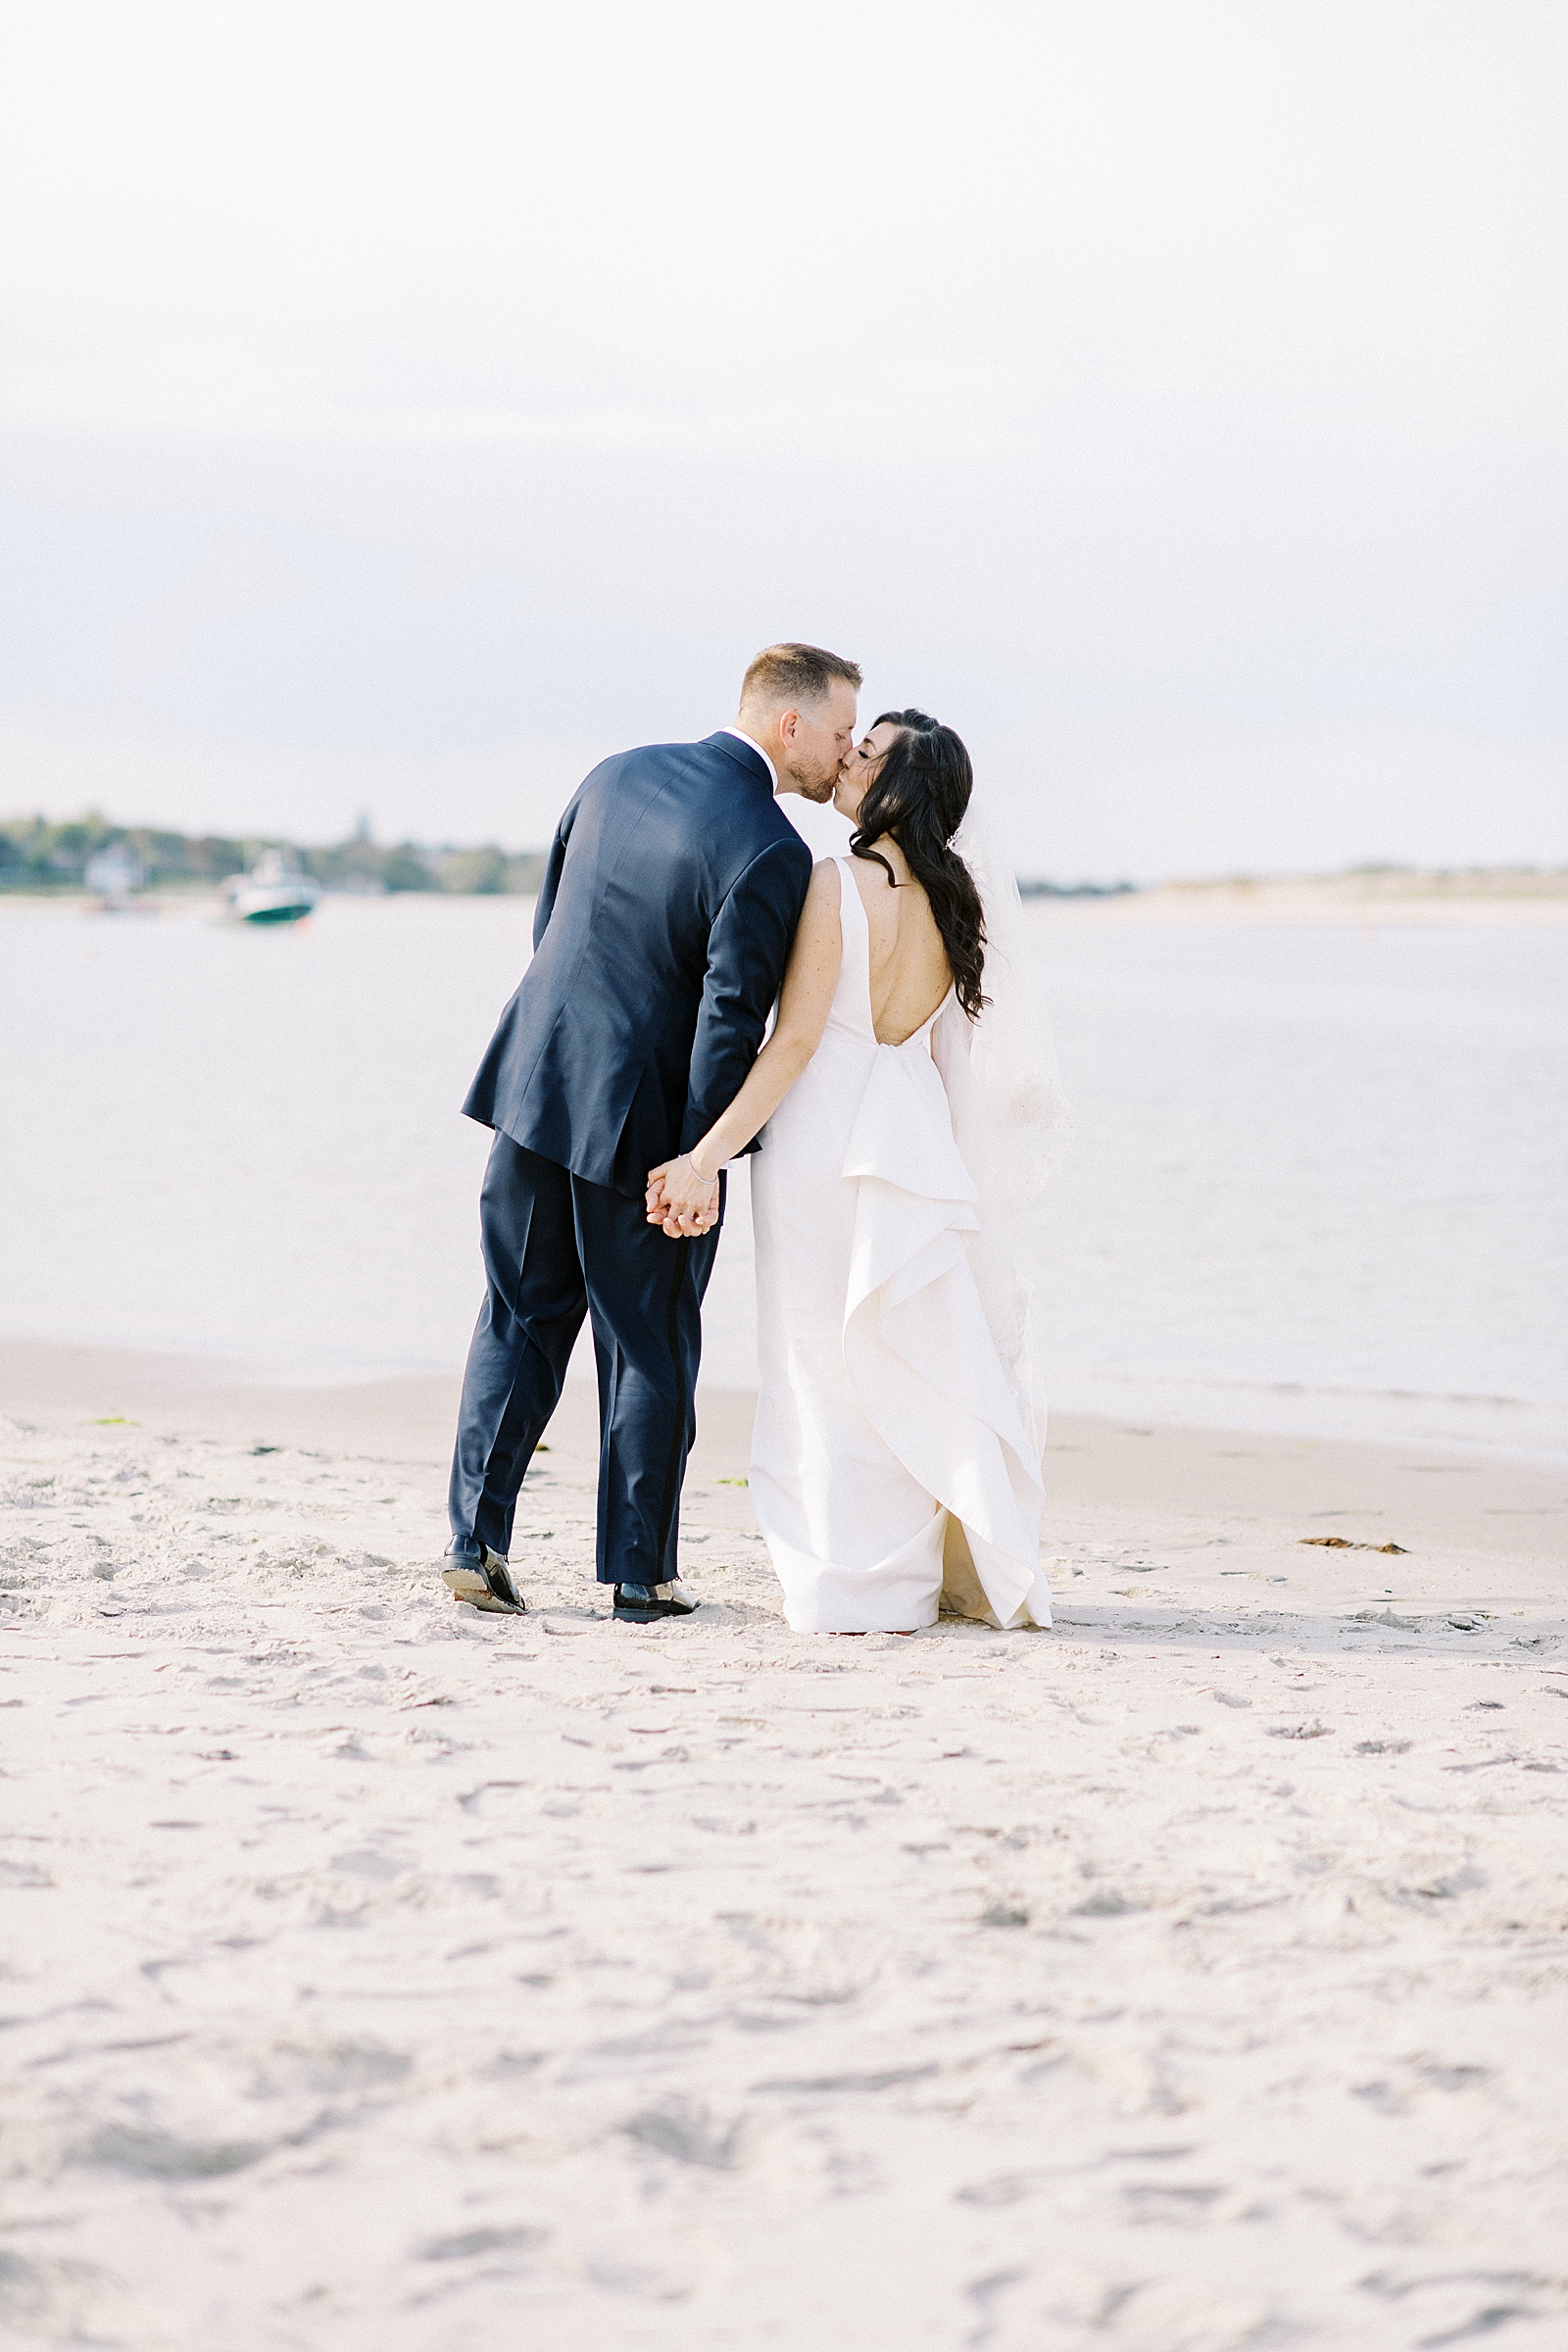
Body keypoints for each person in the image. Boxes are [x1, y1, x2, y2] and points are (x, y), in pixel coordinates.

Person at [444, 643, 861, 1621]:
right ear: (787, 723)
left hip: (536, 1083)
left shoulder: (613, 771)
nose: (843, 754)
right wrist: (701, 1159)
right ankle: (639, 1576)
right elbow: (729, 1018)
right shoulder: (769, 845)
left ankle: (475, 1537)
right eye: (840, 732)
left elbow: (550, 922)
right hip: (649, 1130)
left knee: (517, 1313)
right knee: (649, 1343)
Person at [647, 710, 1061, 1634]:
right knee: (895, 1349)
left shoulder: (836, 881)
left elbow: (794, 1042)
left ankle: (843, 1582)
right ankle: (904, 1580)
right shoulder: (957, 904)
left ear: (900, 790)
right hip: (911, 1139)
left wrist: (704, 1155)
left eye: (868, 755)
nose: (847, 759)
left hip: (823, 1140)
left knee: (817, 1358)